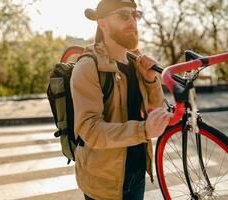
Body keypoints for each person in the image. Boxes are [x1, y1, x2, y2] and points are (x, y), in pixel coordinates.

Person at [70, 0, 172, 199]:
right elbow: (90, 130)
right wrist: (143, 130)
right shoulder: (88, 67)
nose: (132, 21)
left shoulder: (136, 63)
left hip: (137, 173)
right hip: (104, 184)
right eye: (124, 15)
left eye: (135, 15)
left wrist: (151, 81)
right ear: (103, 24)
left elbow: (156, 109)